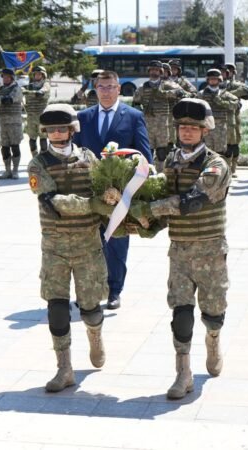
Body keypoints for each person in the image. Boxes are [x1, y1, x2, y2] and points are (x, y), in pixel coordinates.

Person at [129, 98, 231, 400]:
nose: (187, 131)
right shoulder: (171, 161)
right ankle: (183, 372)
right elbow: (166, 202)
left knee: (213, 311)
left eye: (193, 127)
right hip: (180, 251)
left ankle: (213, 341)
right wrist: (141, 223)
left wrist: (148, 209)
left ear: (205, 131)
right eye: (183, 127)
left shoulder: (216, 165)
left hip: (210, 250)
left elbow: (189, 202)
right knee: (180, 310)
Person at [27, 103, 110, 392]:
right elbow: (52, 200)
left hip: (88, 245)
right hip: (55, 247)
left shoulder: (89, 158)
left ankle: (95, 336)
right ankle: (64, 368)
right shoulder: (38, 164)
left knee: (90, 307)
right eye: (51, 129)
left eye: (62, 128)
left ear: (72, 129)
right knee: (57, 307)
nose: (57, 133)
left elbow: (104, 189)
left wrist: (113, 198)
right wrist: (93, 205)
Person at [73, 70, 151, 310]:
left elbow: (144, 155)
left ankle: (114, 290)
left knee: (116, 243)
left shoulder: (133, 116)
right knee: (88, 243)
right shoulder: (83, 117)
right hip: (87, 191)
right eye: (101, 87)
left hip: (119, 194)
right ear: (95, 90)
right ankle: (91, 289)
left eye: (110, 87)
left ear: (119, 89)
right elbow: (73, 152)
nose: (106, 91)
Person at [133, 60, 183, 173]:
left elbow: (182, 94)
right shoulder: (142, 87)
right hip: (147, 125)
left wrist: (164, 94)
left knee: (162, 153)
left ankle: (162, 175)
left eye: (156, 70)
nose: (154, 72)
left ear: (160, 72)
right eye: (152, 70)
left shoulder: (168, 85)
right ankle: (149, 174)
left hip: (163, 125)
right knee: (147, 151)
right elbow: (135, 103)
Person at [197, 68, 239, 168]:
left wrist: (222, 102)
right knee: (207, 152)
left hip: (221, 128)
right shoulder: (201, 94)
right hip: (206, 128)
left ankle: (223, 174)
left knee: (222, 153)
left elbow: (236, 105)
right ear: (208, 80)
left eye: (215, 79)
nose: (213, 81)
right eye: (211, 79)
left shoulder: (224, 94)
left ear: (219, 80)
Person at [221, 63, 248, 178]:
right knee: (222, 146)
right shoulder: (216, 84)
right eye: (223, 71)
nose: (225, 74)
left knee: (234, 145)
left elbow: (246, 91)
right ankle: (224, 168)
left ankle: (233, 168)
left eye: (228, 71)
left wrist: (226, 94)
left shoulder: (236, 85)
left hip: (233, 118)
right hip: (219, 119)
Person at [0, 68, 24, 179]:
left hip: (14, 123)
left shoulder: (16, 89)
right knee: (4, 147)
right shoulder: (0, 90)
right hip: (2, 123)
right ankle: (7, 170)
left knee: (15, 146)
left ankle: (15, 170)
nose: (5, 79)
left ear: (12, 78)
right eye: (3, 77)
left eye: (7, 77)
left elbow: (8, 100)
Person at [23, 66, 51, 156]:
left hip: (42, 116)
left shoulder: (45, 85)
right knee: (32, 138)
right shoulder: (29, 86)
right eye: (35, 74)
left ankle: (43, 157)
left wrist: (29, 92)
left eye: (39, 74)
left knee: (43, 138)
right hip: (31, 116)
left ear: (43, 75)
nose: (37, 76)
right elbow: (21, 90)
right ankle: (34, 157)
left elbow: (41, 92)